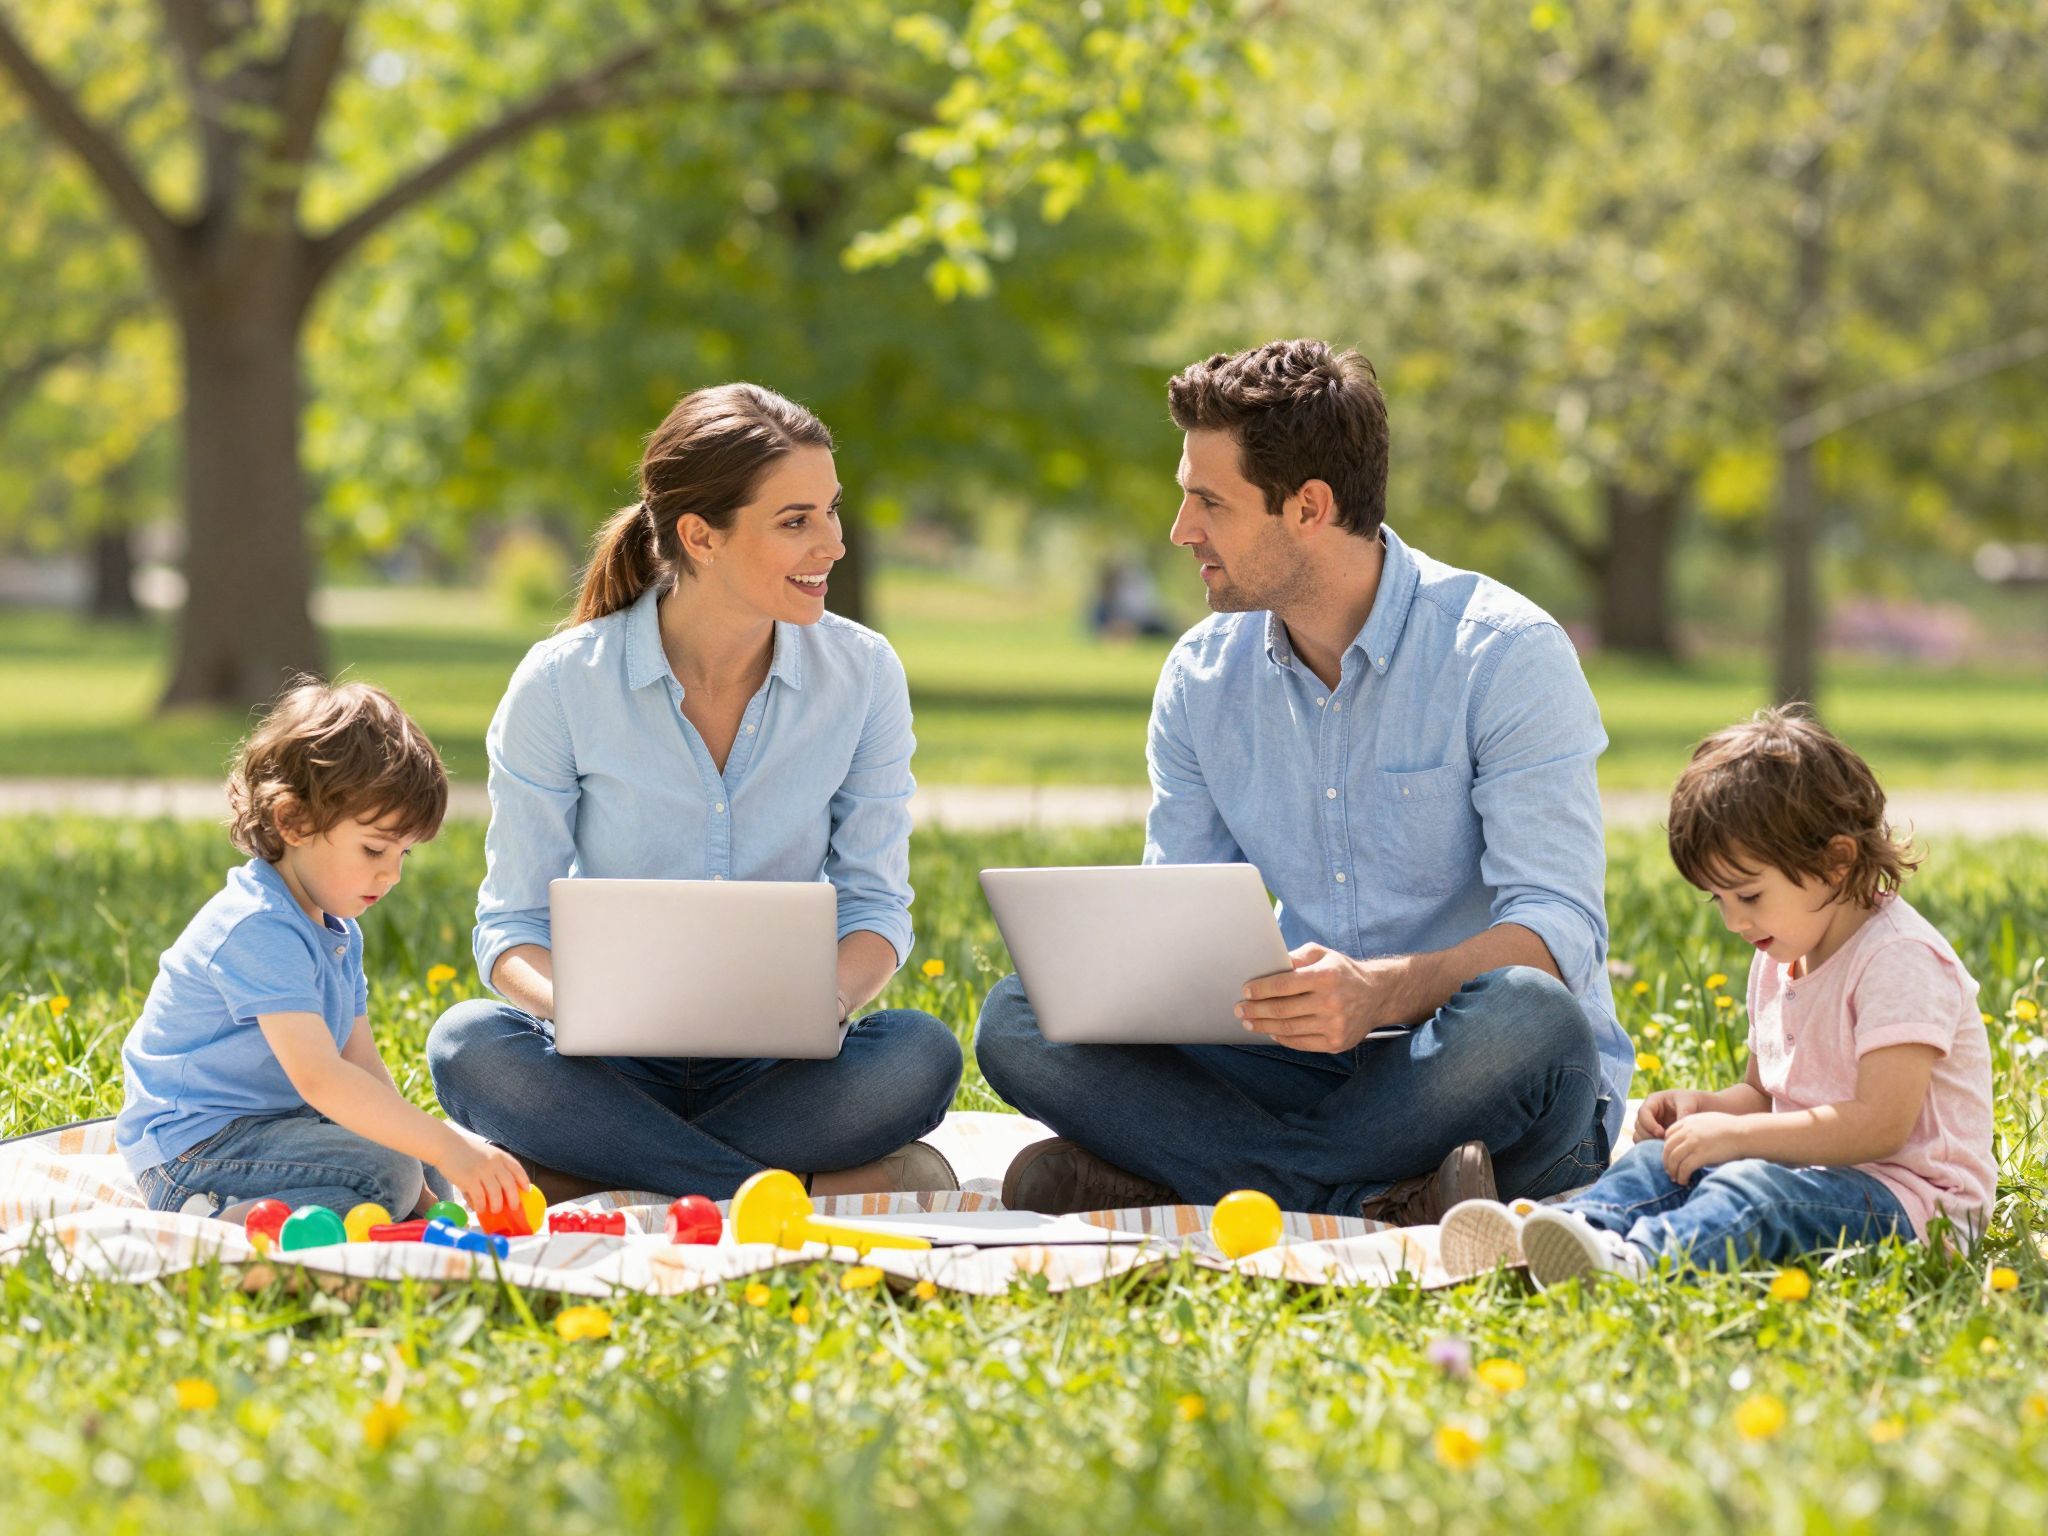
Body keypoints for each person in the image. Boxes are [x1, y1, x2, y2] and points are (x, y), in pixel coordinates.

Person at [977, 339, 1633, 1221]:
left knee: (1532, 1017)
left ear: (1310, 508)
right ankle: (1369, 1189)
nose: (1182, 530)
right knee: (1021, 1019)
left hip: (1465, 1056)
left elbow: (1559, 932)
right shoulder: (1202, 677)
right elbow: (1179, 918)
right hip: (1295, 1053)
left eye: (1209, 501)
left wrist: (1380, 992)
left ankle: (1206, 1170)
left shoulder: (1505, 655)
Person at [428, 383, 962, 1201]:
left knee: (920, 1055)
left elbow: (874, 907)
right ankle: (799, 1187)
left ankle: (596, 1170)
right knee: (467, 1044)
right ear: (699, 536)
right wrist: (576, 1008)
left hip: (781, 1065)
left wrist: (831, 1000)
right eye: (796, 521)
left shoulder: (863, 675)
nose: (834, 543)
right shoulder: (563, 684)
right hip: (610, 1063)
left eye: (831, 510)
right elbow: (511, 929)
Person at [1440, 708, 1996, 1283]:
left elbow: (1880, 1126)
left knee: (1747, 1188)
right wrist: (1704, 1110)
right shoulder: (1780, 954)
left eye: (1749, 895)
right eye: (1719, 900)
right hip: (1806, 1175)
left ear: (1836, 861)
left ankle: (1637, 1262)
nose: (1734, 921)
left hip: (1915, 1209)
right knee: (1661, 1160)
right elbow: (1764, 1096)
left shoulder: (1898, 959)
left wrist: (1737, 1138)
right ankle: (1573, 1232)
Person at [116, 681, 528, 1222]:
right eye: (375, 848)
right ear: (294, 822)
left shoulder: (336, 928)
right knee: (397, 1170)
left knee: (421, 1170)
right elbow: (320, 1078)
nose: (392, 873)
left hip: (273, 1129)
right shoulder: (258, 925)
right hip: (195, 1153)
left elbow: (359, 1064)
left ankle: (338, 1213)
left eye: (404, 853)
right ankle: (215, 1216)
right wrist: (440, 1150)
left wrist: (430, 1165)